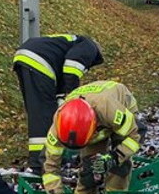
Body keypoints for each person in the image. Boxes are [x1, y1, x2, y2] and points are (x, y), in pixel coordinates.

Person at [41, 81, 146, 194]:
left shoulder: (110, 110)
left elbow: (136, 135)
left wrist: (113, 158)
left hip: (121, 106)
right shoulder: (58, 126)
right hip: (93, 122)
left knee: (119, 168)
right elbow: (50, 167)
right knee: (89, 170)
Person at [13, 34, 105, 175]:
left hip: (26, 57)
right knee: (45, 115)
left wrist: (62, 98)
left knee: (38, 113)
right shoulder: (89, 46)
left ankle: (39, 161)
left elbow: (63, 73)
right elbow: (72, 68)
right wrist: (73, 96)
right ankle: (41, 163)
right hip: (40, 61)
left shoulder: (70, 43)